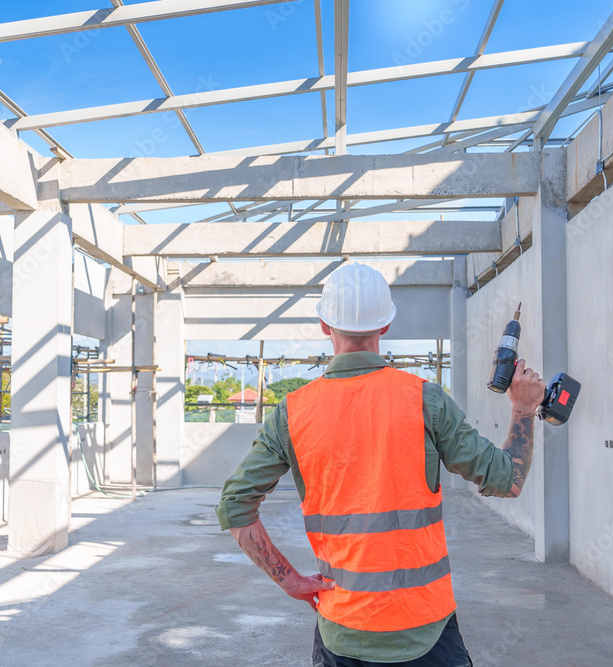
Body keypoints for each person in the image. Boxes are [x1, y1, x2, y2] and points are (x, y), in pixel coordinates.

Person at [215, 263, 546, 666]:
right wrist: (524, 408)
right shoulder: (425, 400)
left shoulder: (291, 414)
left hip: (342, 630)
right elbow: (506, 479)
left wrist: (293, 583)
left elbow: (235, 506)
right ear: (385, 325)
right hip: (427, 629)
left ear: (324, 325)